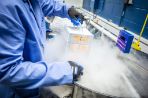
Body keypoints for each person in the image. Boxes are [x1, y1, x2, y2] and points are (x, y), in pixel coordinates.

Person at [0, 0, 84, 98]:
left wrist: (67, 10)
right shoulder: (7, 7)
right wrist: (65, 71)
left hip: (32, 82)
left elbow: (45, 4)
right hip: (15, 91)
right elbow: (9, 71)